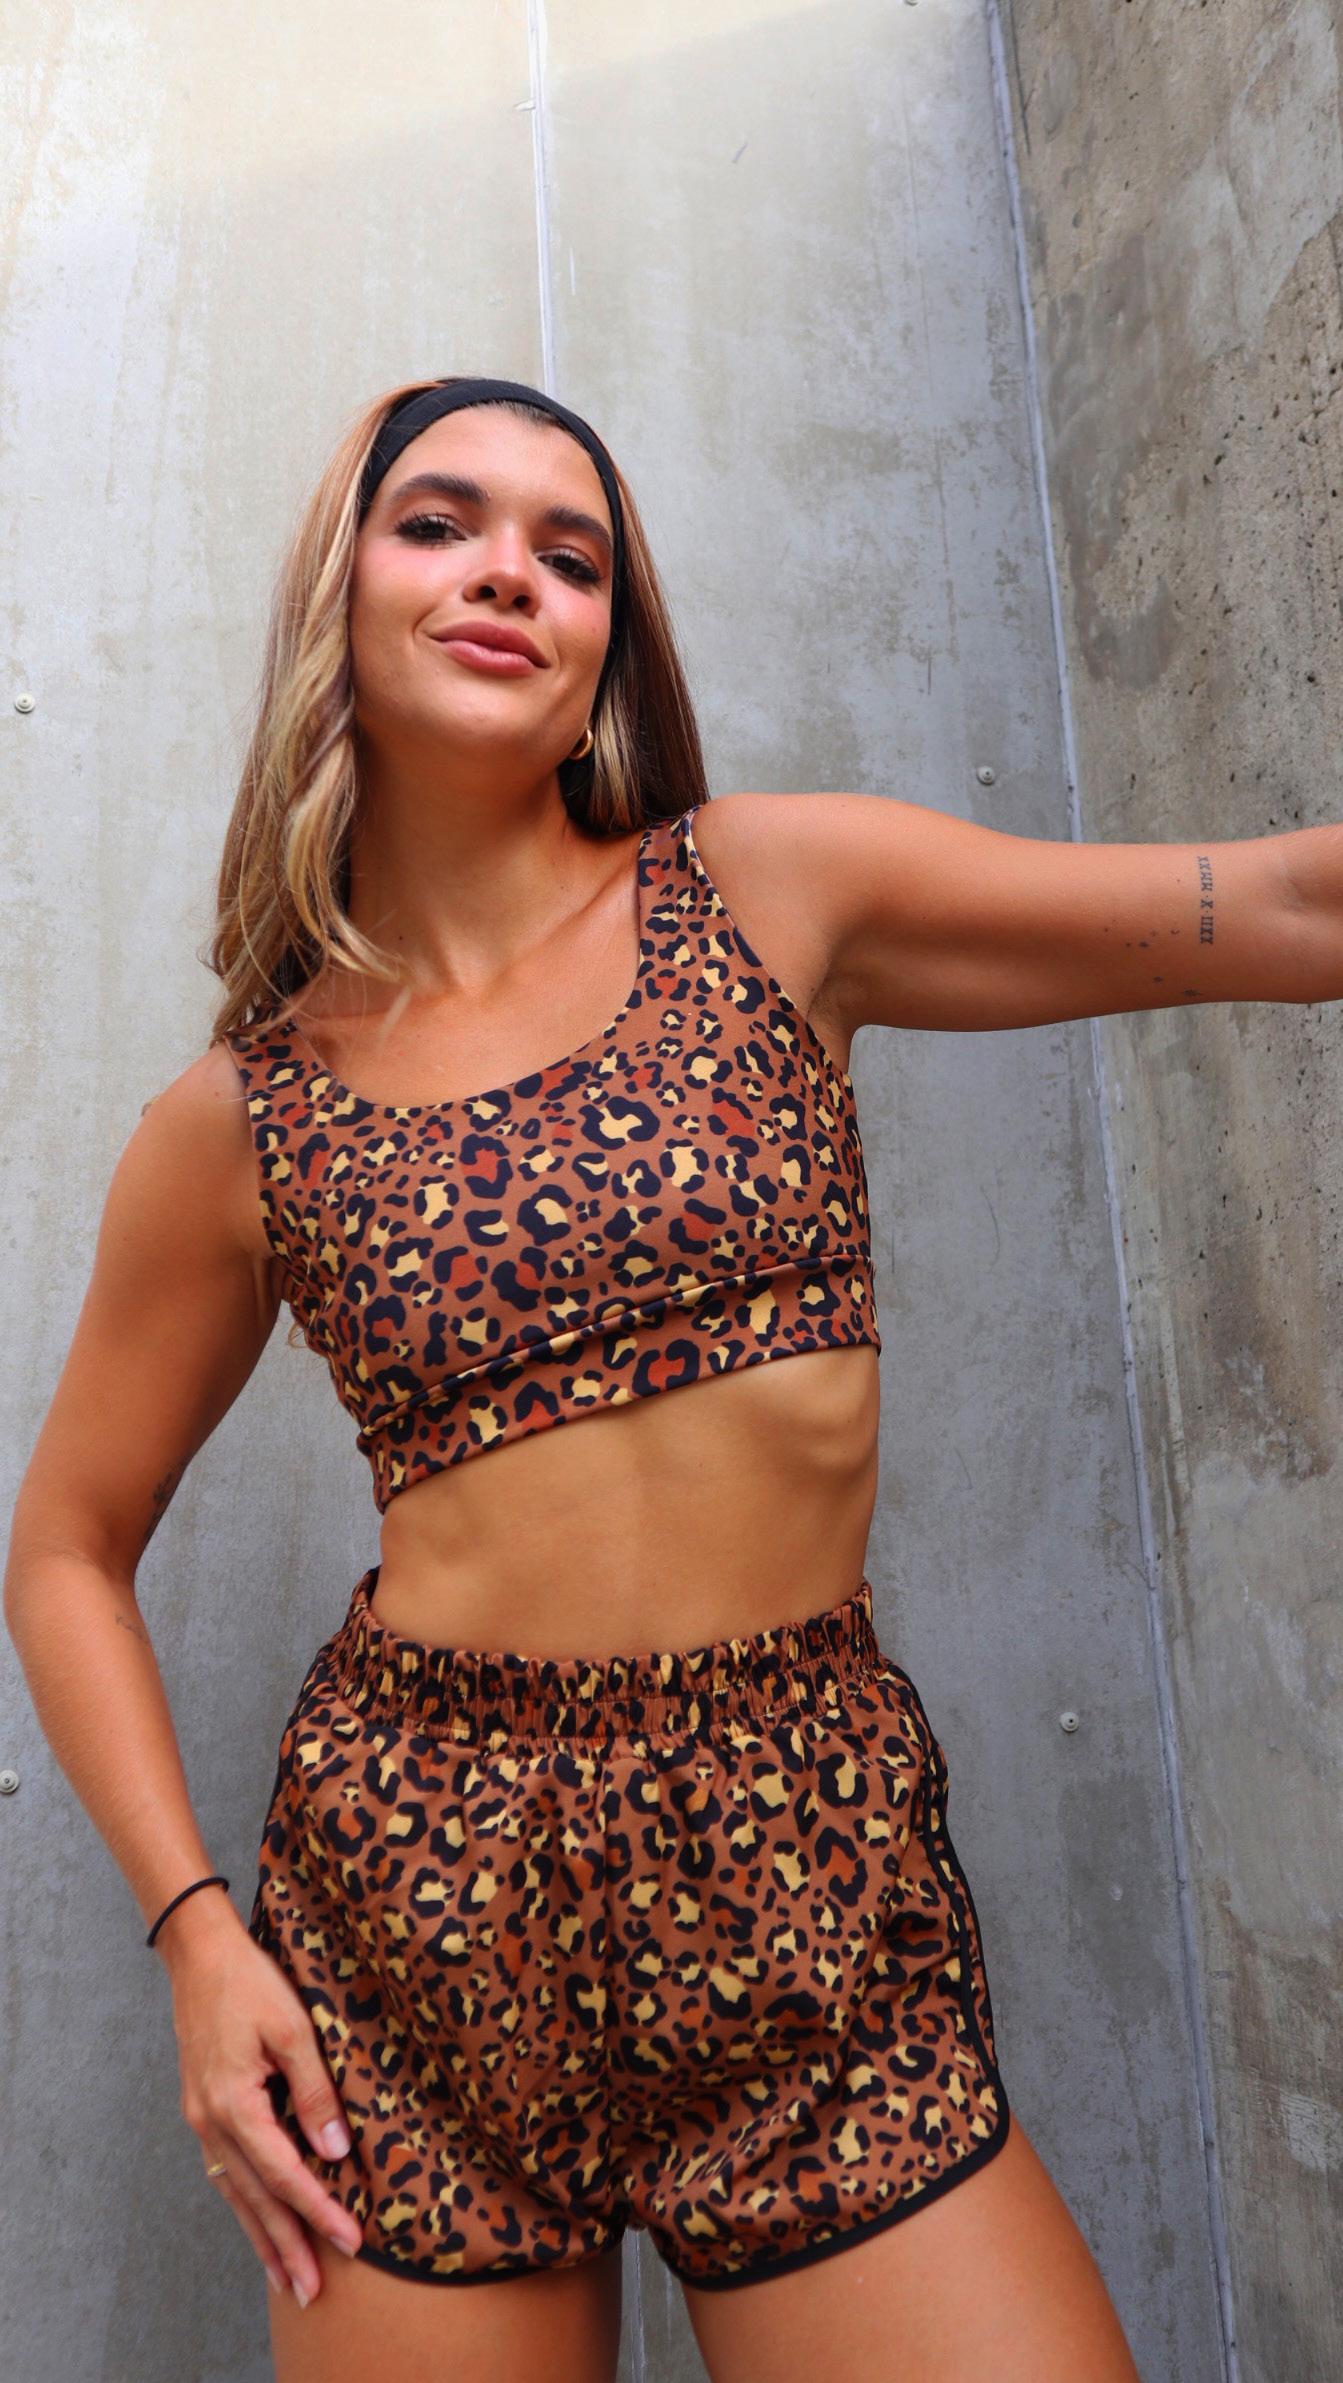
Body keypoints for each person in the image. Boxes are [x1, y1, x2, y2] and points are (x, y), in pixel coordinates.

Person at [8, 372, 1336, 2383]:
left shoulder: (774, 895)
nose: (508, 577)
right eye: (440, 523)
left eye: (572, 556)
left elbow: (1284, 903)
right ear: (339, 593)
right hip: (420, 1916)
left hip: (803, 1876)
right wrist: (199, 1933)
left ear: (608, 652)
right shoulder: (240, 1118)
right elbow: (65, 1547)